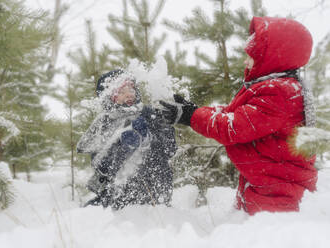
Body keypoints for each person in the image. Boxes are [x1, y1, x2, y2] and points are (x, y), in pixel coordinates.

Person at [159, 16, 318, 215]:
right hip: (271, 185)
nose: (245, 60)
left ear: (271, 58)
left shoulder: (279, 93)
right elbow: (236, 114)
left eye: (251, 55)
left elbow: (233, 127)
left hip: (278, 196)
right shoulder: (281, 87)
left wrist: (191, 116)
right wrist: (194, 110)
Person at [77, 69, 177, 210]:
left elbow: (170, 149)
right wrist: (124, 147)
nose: (129, 94)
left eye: (131, 89)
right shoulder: (105, 122)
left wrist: (163, 130)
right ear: (110, 97)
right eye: (122, 92)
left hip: (156, 189)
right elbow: (101, 166)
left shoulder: (149, 114)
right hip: (122, 197)